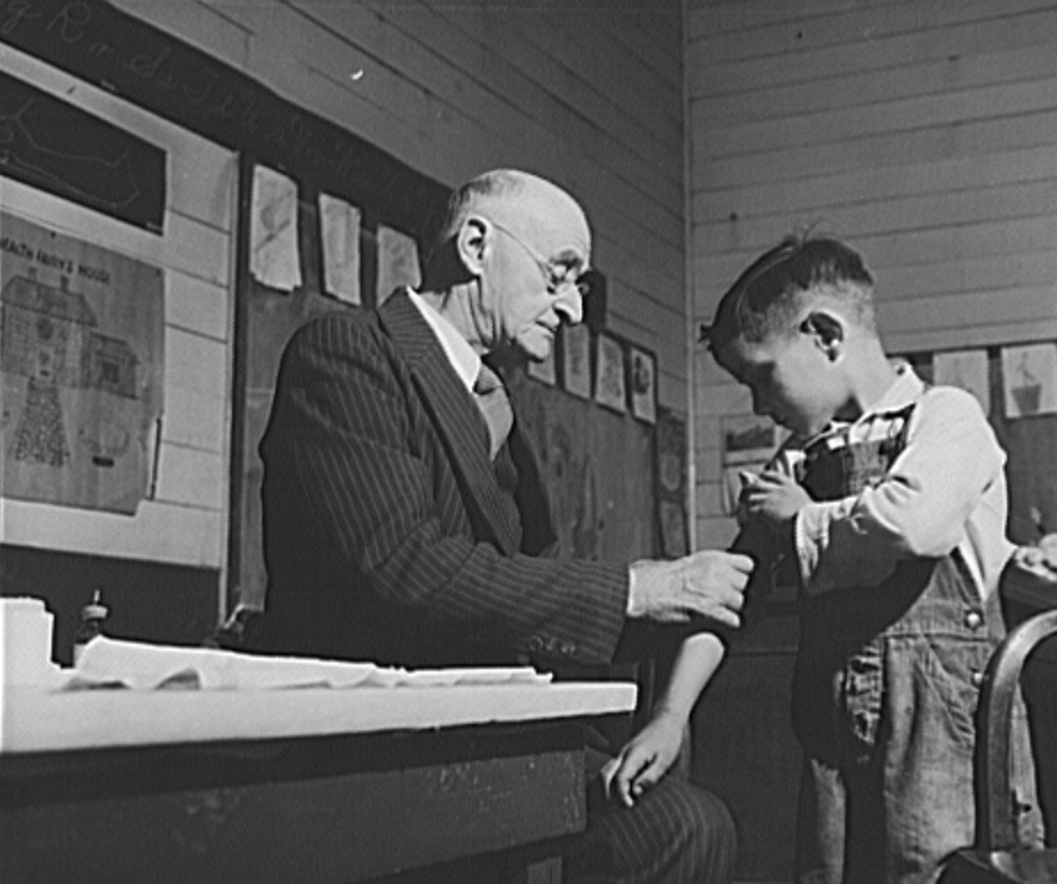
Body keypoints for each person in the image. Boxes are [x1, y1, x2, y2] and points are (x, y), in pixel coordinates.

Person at [249, 168, 752, 883]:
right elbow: (403, 567)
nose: (573, 309)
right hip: (375, 757)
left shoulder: (496, 404)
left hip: (485, 739)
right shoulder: (348, 352)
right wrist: (637, 593)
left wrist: (677, 625)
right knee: (677, 829)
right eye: (559, 275)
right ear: (477, 247)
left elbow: (528, 587)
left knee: (691, 826)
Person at [700, 234, 1045, 884]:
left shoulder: (946, 416)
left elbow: (913, 526)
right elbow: (733, 586)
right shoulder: (800, 460)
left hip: (940, 725)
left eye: (761, 376)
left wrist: (801, 520)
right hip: (833, 729)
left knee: (938, 873)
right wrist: (669, 719)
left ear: (825, 335)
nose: (759, 407)